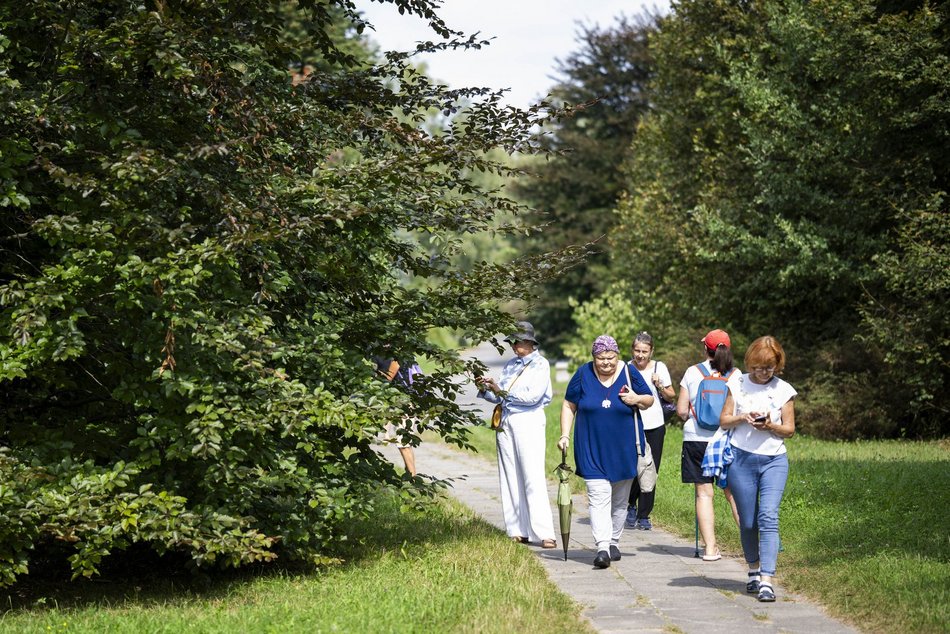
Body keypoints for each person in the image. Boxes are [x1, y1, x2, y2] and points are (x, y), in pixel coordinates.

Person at [557, 335, 654, 569]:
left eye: (610, 358)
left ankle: (613, 540)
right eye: (601, 358)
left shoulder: (629, 372)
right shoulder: (583, 373)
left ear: (617, 356)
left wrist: (636, 398)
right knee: (598, 496)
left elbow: (649, 399)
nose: (606, 363)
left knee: (620, 500)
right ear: (593, 357)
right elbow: (569, 405)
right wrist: (564, 435)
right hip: (591, 447)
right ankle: (602, 547)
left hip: (624, 448)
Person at [719, 336, 797, 603]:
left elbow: (789, 430)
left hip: (774, 460)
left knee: (768, 516)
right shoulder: (737, 383)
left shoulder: (784, 389)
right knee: (748, 521)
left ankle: (767, 580)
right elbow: (724, 420)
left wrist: (770, 425)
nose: (763, 373)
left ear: (777, 365)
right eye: (758, 367)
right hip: (741, 459)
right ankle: (752, 569)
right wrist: (744, 417)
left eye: (769, 368)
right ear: (750, 363)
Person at [476, 321, 558, 549]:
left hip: (528, 420)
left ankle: (545, 532)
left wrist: (500, 390)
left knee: (532, 475)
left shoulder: (541, 365)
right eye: (511, 341)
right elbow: (501, 397)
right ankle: (517, 529)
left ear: (529, 342)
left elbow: (532, 397)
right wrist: (486, 388)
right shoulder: (511, 364)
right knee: (509, 473)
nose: (513, 345)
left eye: (517, 341)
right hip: (507, 420)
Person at [675, 329, 741, 561]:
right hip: (726, 439)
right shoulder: (736, 375)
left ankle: (710, 549)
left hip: (696, 439)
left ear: (706, 349)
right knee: (735, 494)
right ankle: (754, 546)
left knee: (704, 494)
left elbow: (682, 410)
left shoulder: (693, 372)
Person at [625, 331, 675, 530]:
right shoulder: (626, 368)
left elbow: (671, 396)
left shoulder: (659, 367)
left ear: (651, 351)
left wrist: (659, 385)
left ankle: (644, 514)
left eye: (644, 351)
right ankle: (630, 504)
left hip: (655, 424)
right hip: (633, 423)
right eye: (637, 350)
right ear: (632, 350)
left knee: (651, 469)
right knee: (633, 468)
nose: (640, 355)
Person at [374, 356, 422, 476]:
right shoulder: (393, 349)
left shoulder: (393, 353)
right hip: (403, 398)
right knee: (405, 442)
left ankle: (412, 478)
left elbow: (392, 372)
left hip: (404, 400)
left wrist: (378, 387)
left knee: (403, 442)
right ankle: (411, 475)